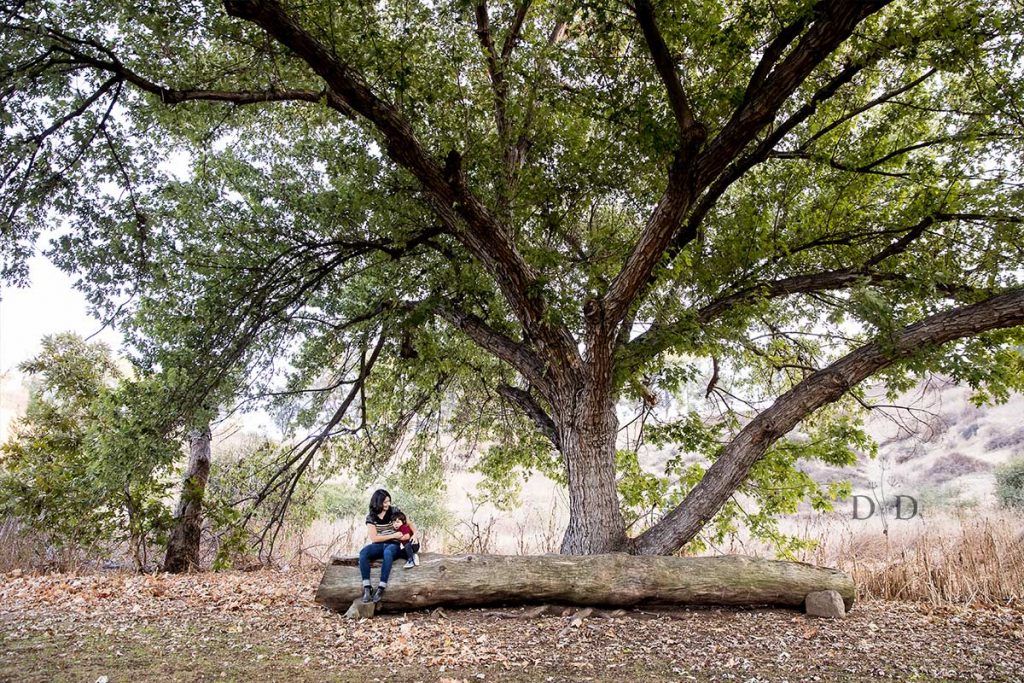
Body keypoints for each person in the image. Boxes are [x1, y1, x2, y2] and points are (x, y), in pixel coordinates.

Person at [358, 489, 409, 603]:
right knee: (363, 553)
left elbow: (408, 523)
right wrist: (393, 534)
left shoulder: (394, 511)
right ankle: (367, 587)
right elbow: (374, 538)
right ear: (377, 502)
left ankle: (381, 587)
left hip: (394, 544)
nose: (388, 504)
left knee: (388, 552)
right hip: (379, 544)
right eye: (385, 502)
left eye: (389, 501)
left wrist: (414, 534)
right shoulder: (371, 517)